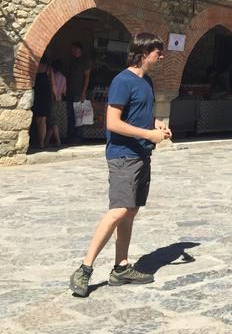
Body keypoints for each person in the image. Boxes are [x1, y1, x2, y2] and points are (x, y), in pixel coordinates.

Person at [69, 33, 172, 298]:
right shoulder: (122, 81)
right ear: (143, 53)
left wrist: (155, 125)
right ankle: (84, 268)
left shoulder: (146, 82)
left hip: (141, 155)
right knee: (118, 211)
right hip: (123, 155)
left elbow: (139, 117)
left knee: (130, 212)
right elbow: (112, 123)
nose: (161, 57)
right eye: (157, 53)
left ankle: (121, 267)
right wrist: (148, 135)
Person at [64, 41, 91, 143]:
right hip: (70, 90)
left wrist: (83, 92)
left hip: (79, 91)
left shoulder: (85, 61)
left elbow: (87, 76)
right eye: (72, 49)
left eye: (75, 49)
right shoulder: (71, 60)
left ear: (80, 50)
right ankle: (70, 136)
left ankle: (78, 137)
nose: (73, 51)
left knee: (79, 114)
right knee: (70, 114)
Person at [32, 55, 53, 150]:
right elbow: (52, 83)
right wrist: (55, 95)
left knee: (37, 119)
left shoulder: (34, 68)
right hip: (45, 95)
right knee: (43, 120)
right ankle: (41, 142)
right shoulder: (48, 69)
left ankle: (39, 141)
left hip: (36, 94)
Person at [47, 58, 67, 147]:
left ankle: (58, 140)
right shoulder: (63, 77)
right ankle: (46, 140)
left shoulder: (52, 76)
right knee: (54, 120)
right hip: (59, 100)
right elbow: (64, 91)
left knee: (53, 121)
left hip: (51, 99)